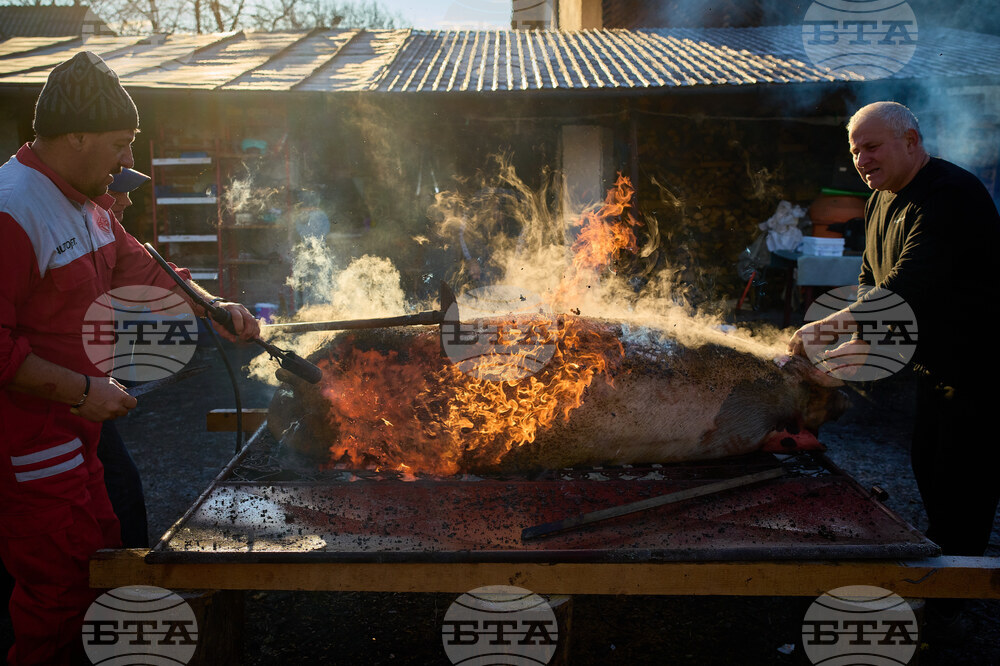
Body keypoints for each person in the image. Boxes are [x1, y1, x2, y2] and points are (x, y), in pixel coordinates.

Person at [0, 51, 259, 664]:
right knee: (59, 595)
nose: (127, 163)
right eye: (121, 145)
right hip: (29, 441)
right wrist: (85, 392)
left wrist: (212, 308)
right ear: (77, 136)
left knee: (107, 556)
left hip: (77, 431)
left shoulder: (86, 201)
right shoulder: (13, 211)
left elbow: (142, 266)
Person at [787, 101, 1000, 627]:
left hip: (980, 369)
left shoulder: (950, 195)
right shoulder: (881, 199)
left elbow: (911, 283)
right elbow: (871, 278)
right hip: (934, 369)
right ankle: (946, 574)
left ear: (911, 140)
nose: (862, 159)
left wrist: (827, 327)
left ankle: (954, 607)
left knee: (963, 481)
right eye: (855, 150)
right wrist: (867, 338)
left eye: (872, 146)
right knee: (929, 466)